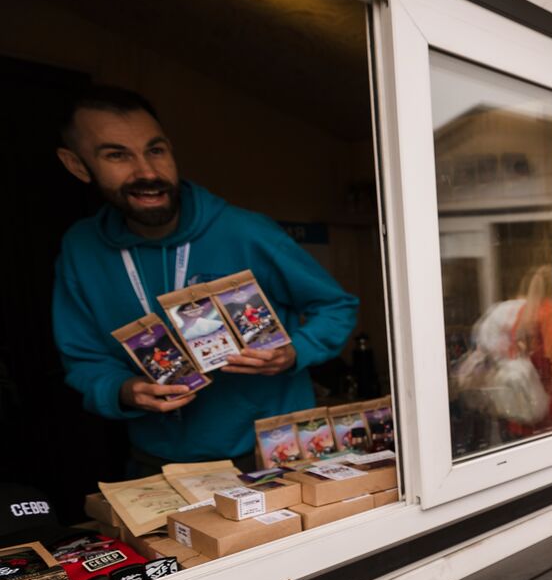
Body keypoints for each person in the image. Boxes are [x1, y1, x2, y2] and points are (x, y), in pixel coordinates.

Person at [52, 86, 359, 473]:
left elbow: (336, 305)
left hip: (272, 457)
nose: (147, 171)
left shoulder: (245, 231)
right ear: (77, 165)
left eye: (156, 150)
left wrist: (296, 350)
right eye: (117, 155)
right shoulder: (80, 249)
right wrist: (123, 391)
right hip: (158, 464)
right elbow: (83, 358)